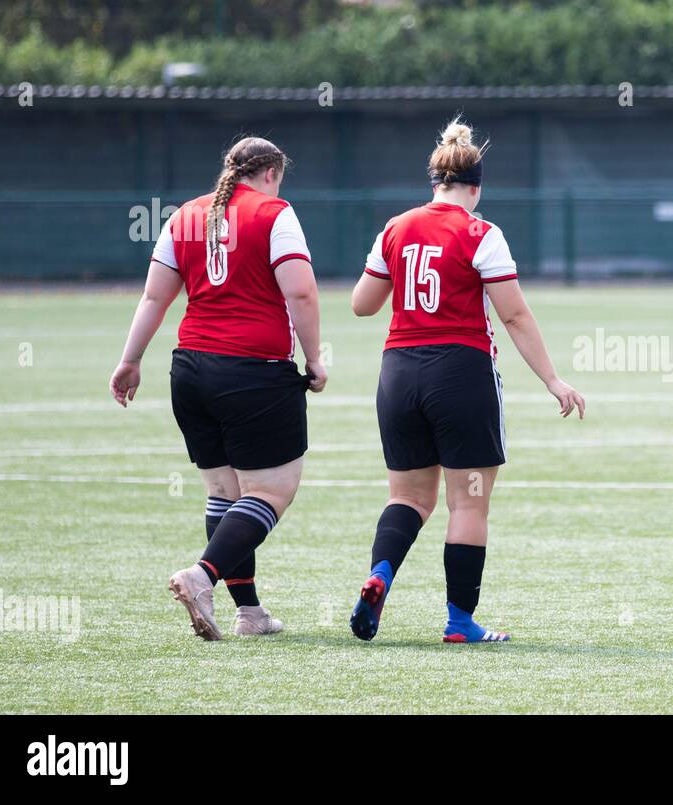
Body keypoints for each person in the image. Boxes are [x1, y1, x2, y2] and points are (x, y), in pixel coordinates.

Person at [347, 118, 585, 643]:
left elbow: (362, 305)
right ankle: (460, 622)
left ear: (434, 183)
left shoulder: (396, 227)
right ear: (475, 187)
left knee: (408, 498)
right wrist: (553, 380)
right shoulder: (482, 233)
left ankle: (380, 575)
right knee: (469, 501)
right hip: (461, 374)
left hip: (399, 376)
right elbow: (515, 317)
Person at [109, 136, 326, 641]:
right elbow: (301, 290)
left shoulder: (184, 215)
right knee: (272, 490)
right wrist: (314, 359)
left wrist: (130, 359)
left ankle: (249, 613)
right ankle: (202, 577)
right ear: (271, 172)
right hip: (252, 370)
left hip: (189, 371)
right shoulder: (276, 213)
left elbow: (154, 297)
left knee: (224, 493)